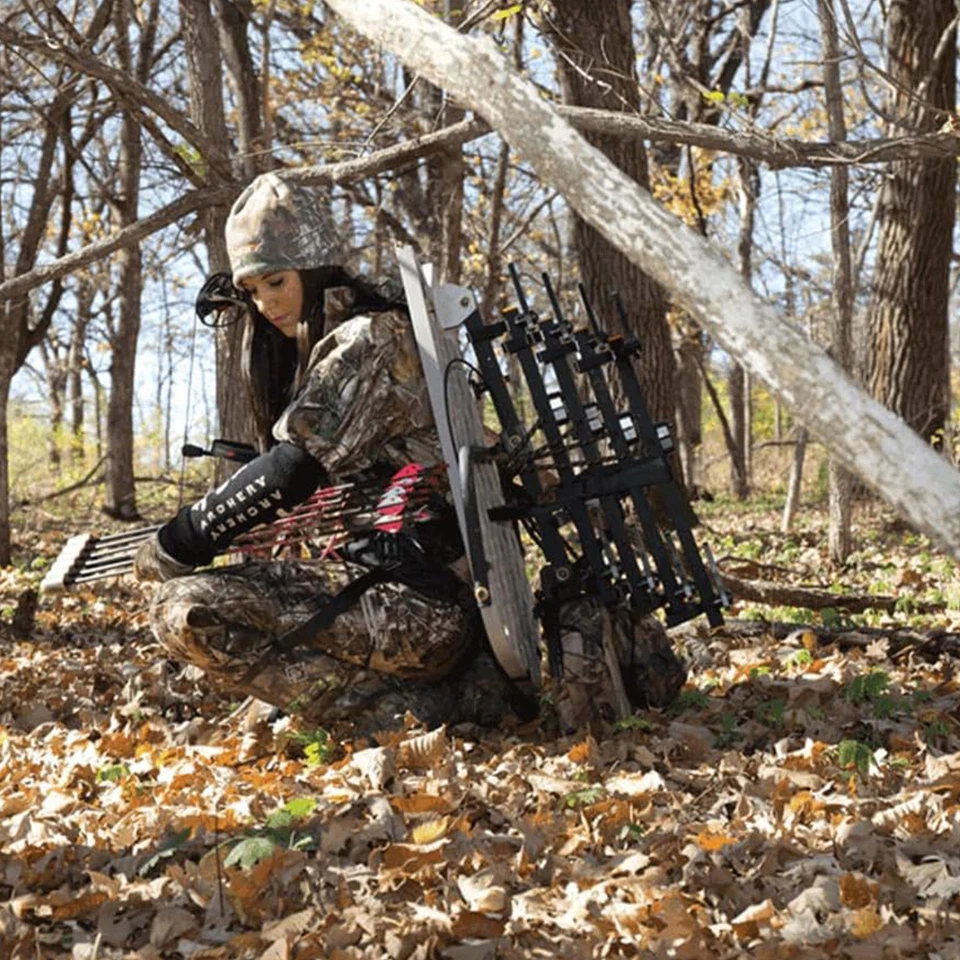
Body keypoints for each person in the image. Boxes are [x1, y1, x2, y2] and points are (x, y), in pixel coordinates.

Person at [134, 172, 686, 737]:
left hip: (423, 597)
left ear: (314, 265)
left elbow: (290, 469)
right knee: (216, 604)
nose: (266, 303)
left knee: (181, 606)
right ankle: (444, 703)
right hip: (384, 589)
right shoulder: (323, 344)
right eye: (252, 292)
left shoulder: (369, 339)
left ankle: (416, 706)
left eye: (275, 281)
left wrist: (181, 539)